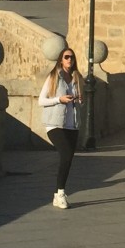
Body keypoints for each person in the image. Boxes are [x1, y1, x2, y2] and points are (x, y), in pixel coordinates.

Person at [38, 47, 83, 209]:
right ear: (61, 60)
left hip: (72, 124)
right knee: (65, 156)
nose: (69, 60)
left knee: (69, 159)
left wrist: (78, 100)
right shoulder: (54, 77)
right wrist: (59, 99)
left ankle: (58, 195)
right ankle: (61, 192)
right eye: (66, 57)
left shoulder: (77, 77)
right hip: (55, 124)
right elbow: (41, 100)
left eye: (72, 57)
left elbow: (80, 100)